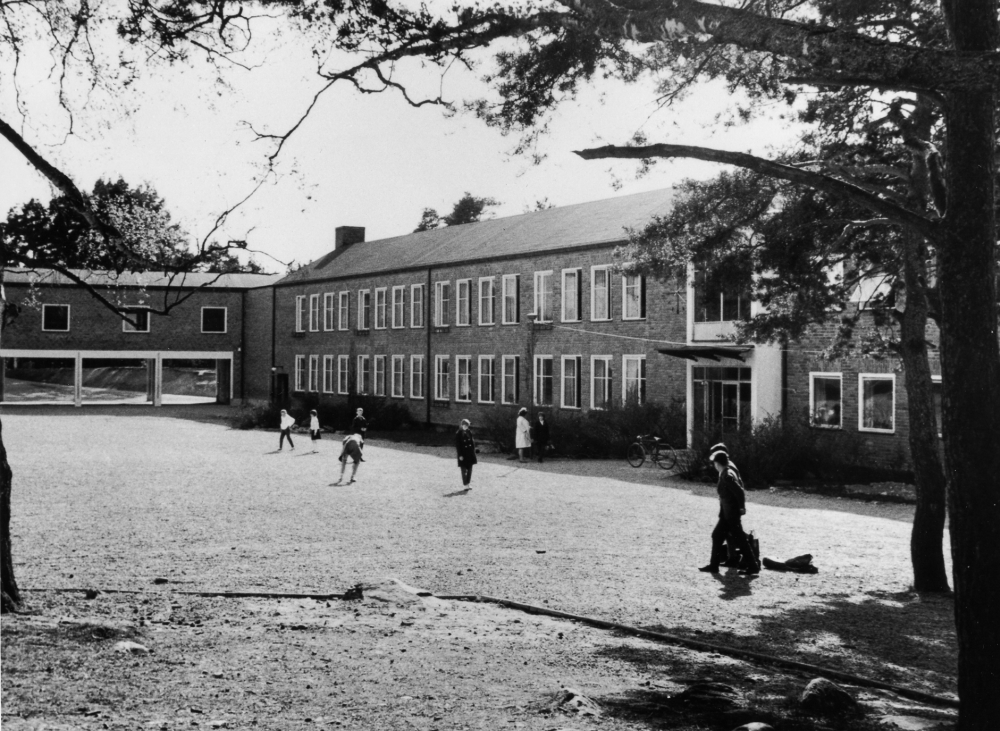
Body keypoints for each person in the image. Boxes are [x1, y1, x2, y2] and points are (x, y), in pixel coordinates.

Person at [700, 451, 760, 575]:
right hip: (726, 514)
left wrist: (741, 507)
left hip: (731, 514)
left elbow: (739, 491)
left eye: (714, 463)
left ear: (718, 463)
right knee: (718, 536)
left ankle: (753, 566)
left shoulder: (727, 475)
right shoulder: (725, 472)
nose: (714, 465)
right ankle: (714, 565)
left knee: (741, 540)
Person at [455, 419, 478, 488]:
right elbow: (458, 445)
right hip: (463, 454)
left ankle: (468, 483)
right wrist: (460, 455)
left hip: (470, 453)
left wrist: (474, 451)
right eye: (464, 425)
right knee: (464, 470)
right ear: (461, 425)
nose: (466, 427)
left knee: (470, 469)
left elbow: (472, 442)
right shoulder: (459, 433)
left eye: (467, 426)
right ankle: (465, 484)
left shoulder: (469, 432)